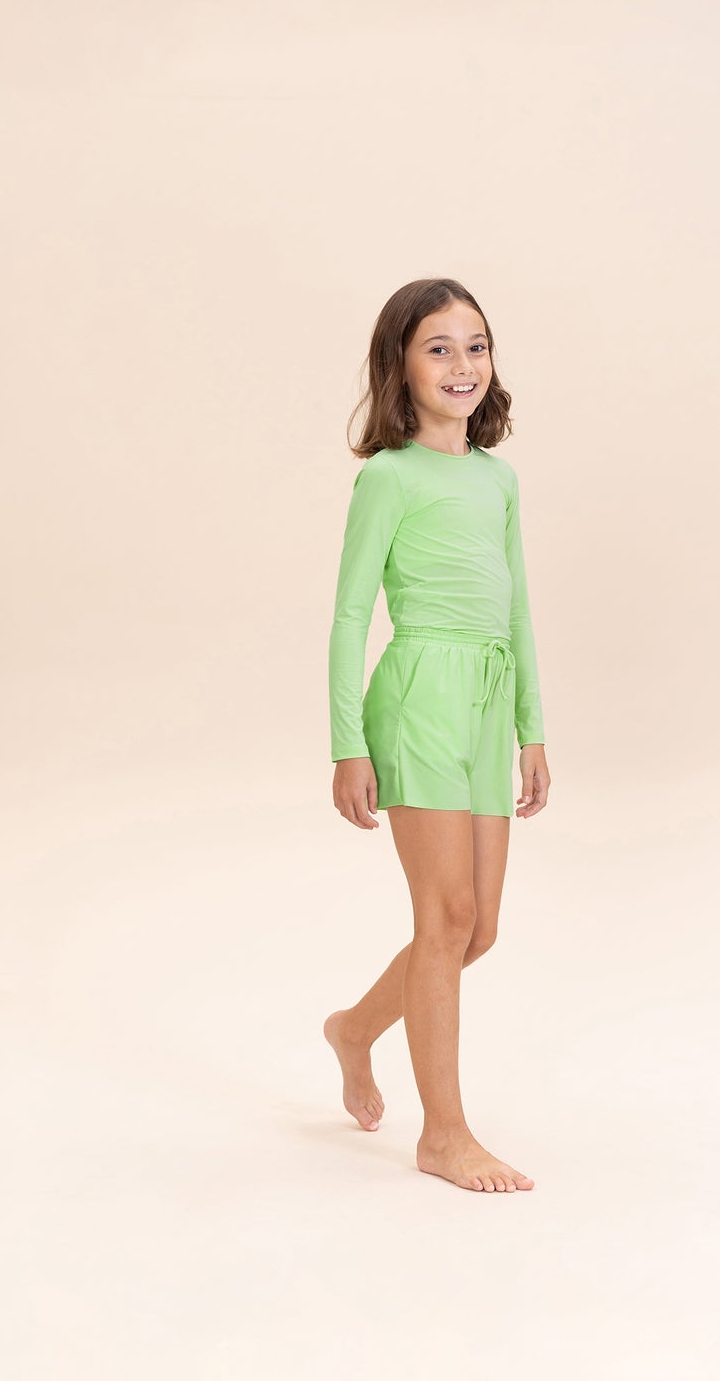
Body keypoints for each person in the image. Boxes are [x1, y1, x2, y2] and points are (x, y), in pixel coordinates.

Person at [323, 277, 552, 1193]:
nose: (463, 365)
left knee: (477, 929)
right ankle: (444, 1134)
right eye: (439, 348)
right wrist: (347, 742)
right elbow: (350, 615)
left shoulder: (499, 479)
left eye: (476, 346)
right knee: (443, 918)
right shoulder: (388, 476)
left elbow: (518, 607)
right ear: (402, 365)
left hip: (489, 700)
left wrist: (532, 727)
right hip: (419, 691)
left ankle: (353, 1030)